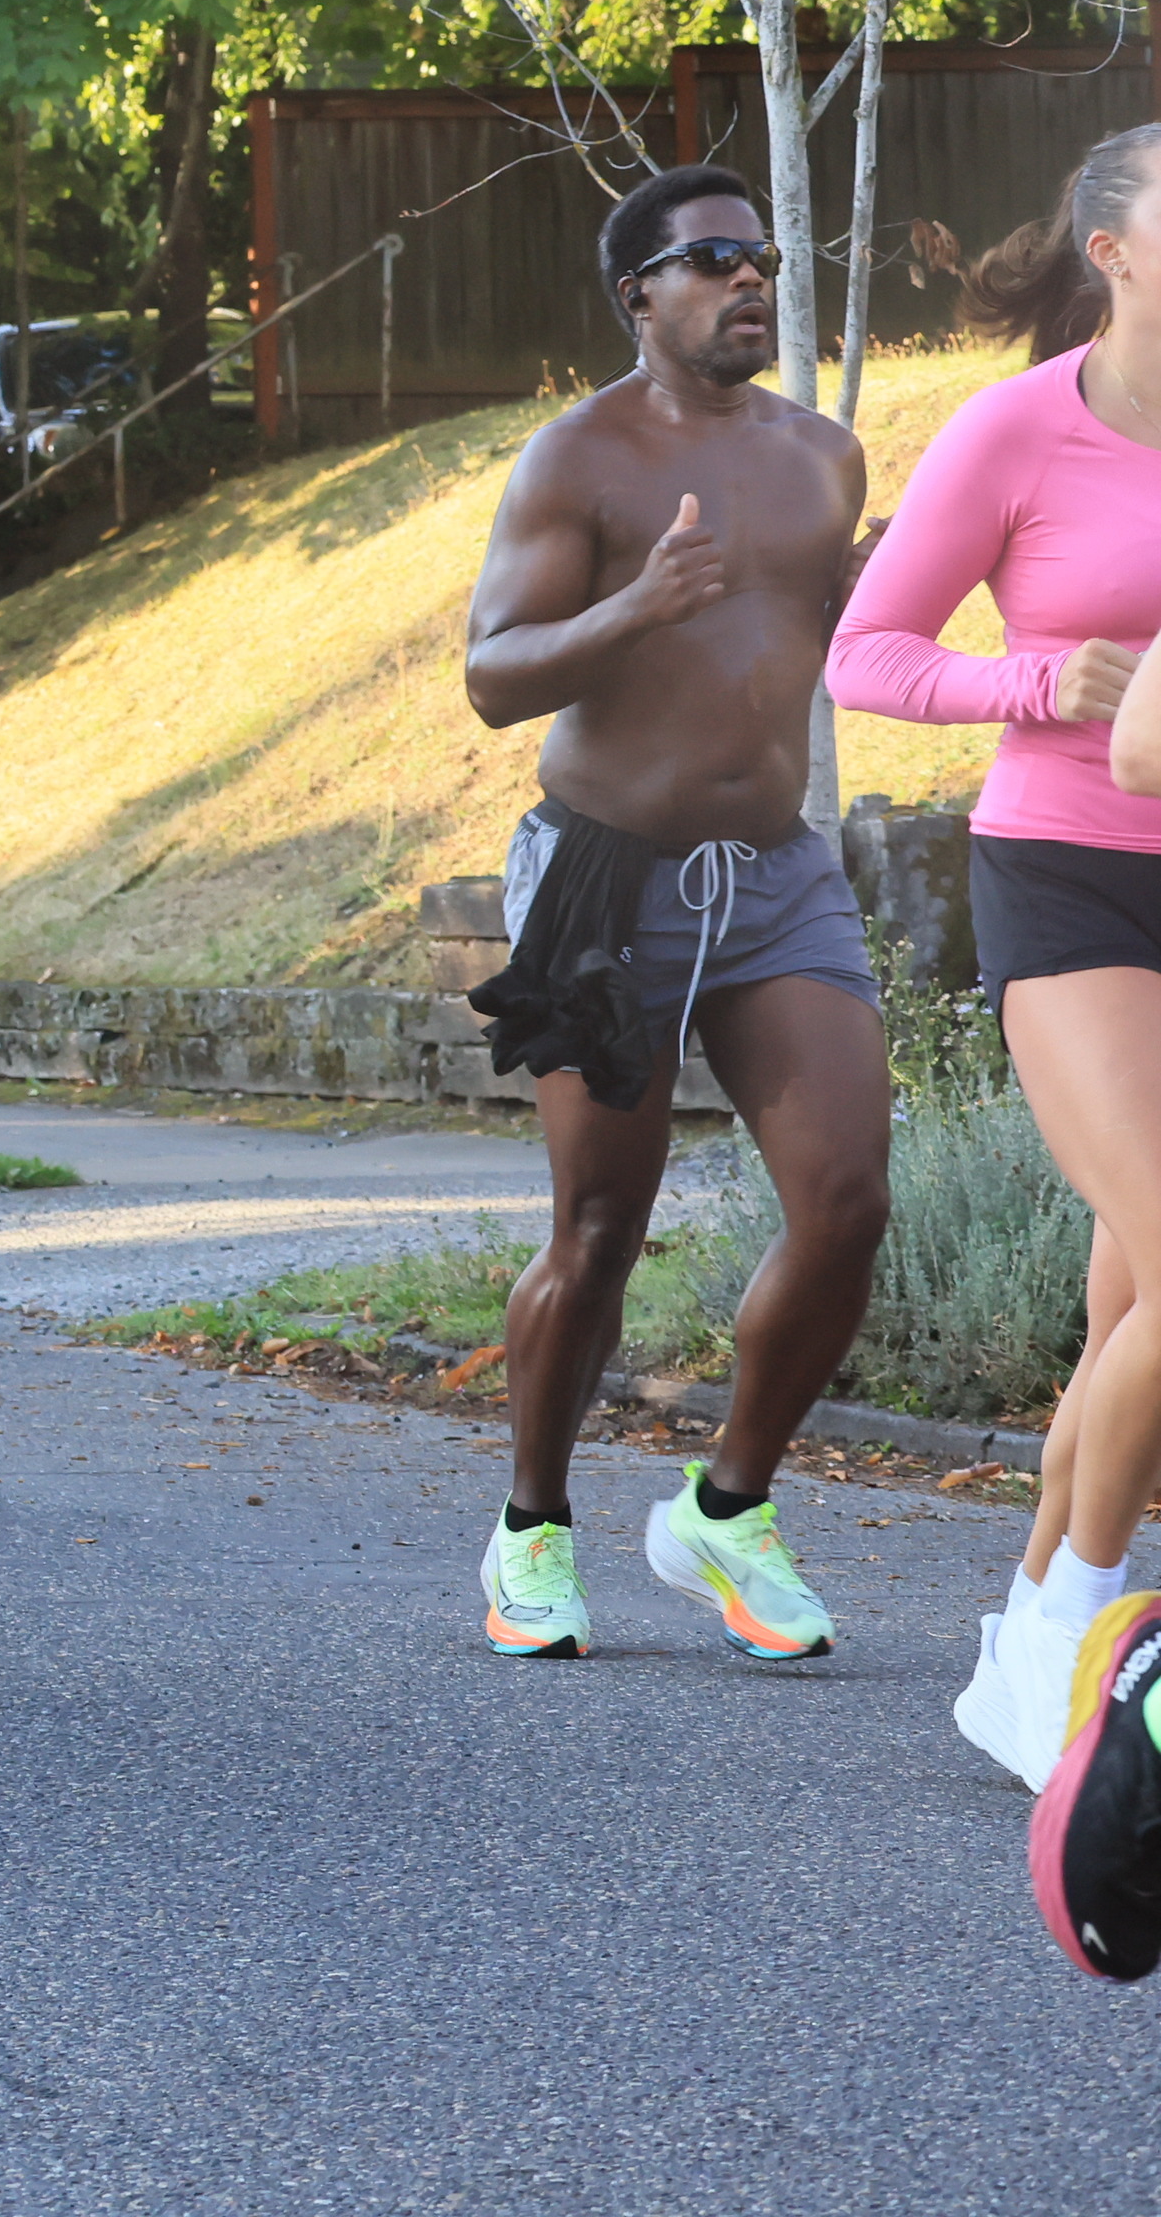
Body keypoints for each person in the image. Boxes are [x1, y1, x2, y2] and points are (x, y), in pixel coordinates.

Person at [458, 161, 887, 1666]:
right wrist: (634, 605)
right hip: (604, 880)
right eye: (713, 259)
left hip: (776, 874)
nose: (748, 277)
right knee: (599, 1229)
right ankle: (532, 1528)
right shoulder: (576, 459)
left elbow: (806, 637)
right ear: (639, 294)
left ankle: (727, 1508)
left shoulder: (823, 456)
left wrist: (866, 597)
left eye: (760, 254)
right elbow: (493, 675)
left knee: (847, 1202)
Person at [841, 121, 1161, 1782]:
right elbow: (866, 654)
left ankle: (1027, 1627)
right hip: (1067, 880)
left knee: (1131, 1318)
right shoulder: (1016, 430)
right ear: (1111, 251)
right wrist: (1036, 683)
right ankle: (1072, 1643)